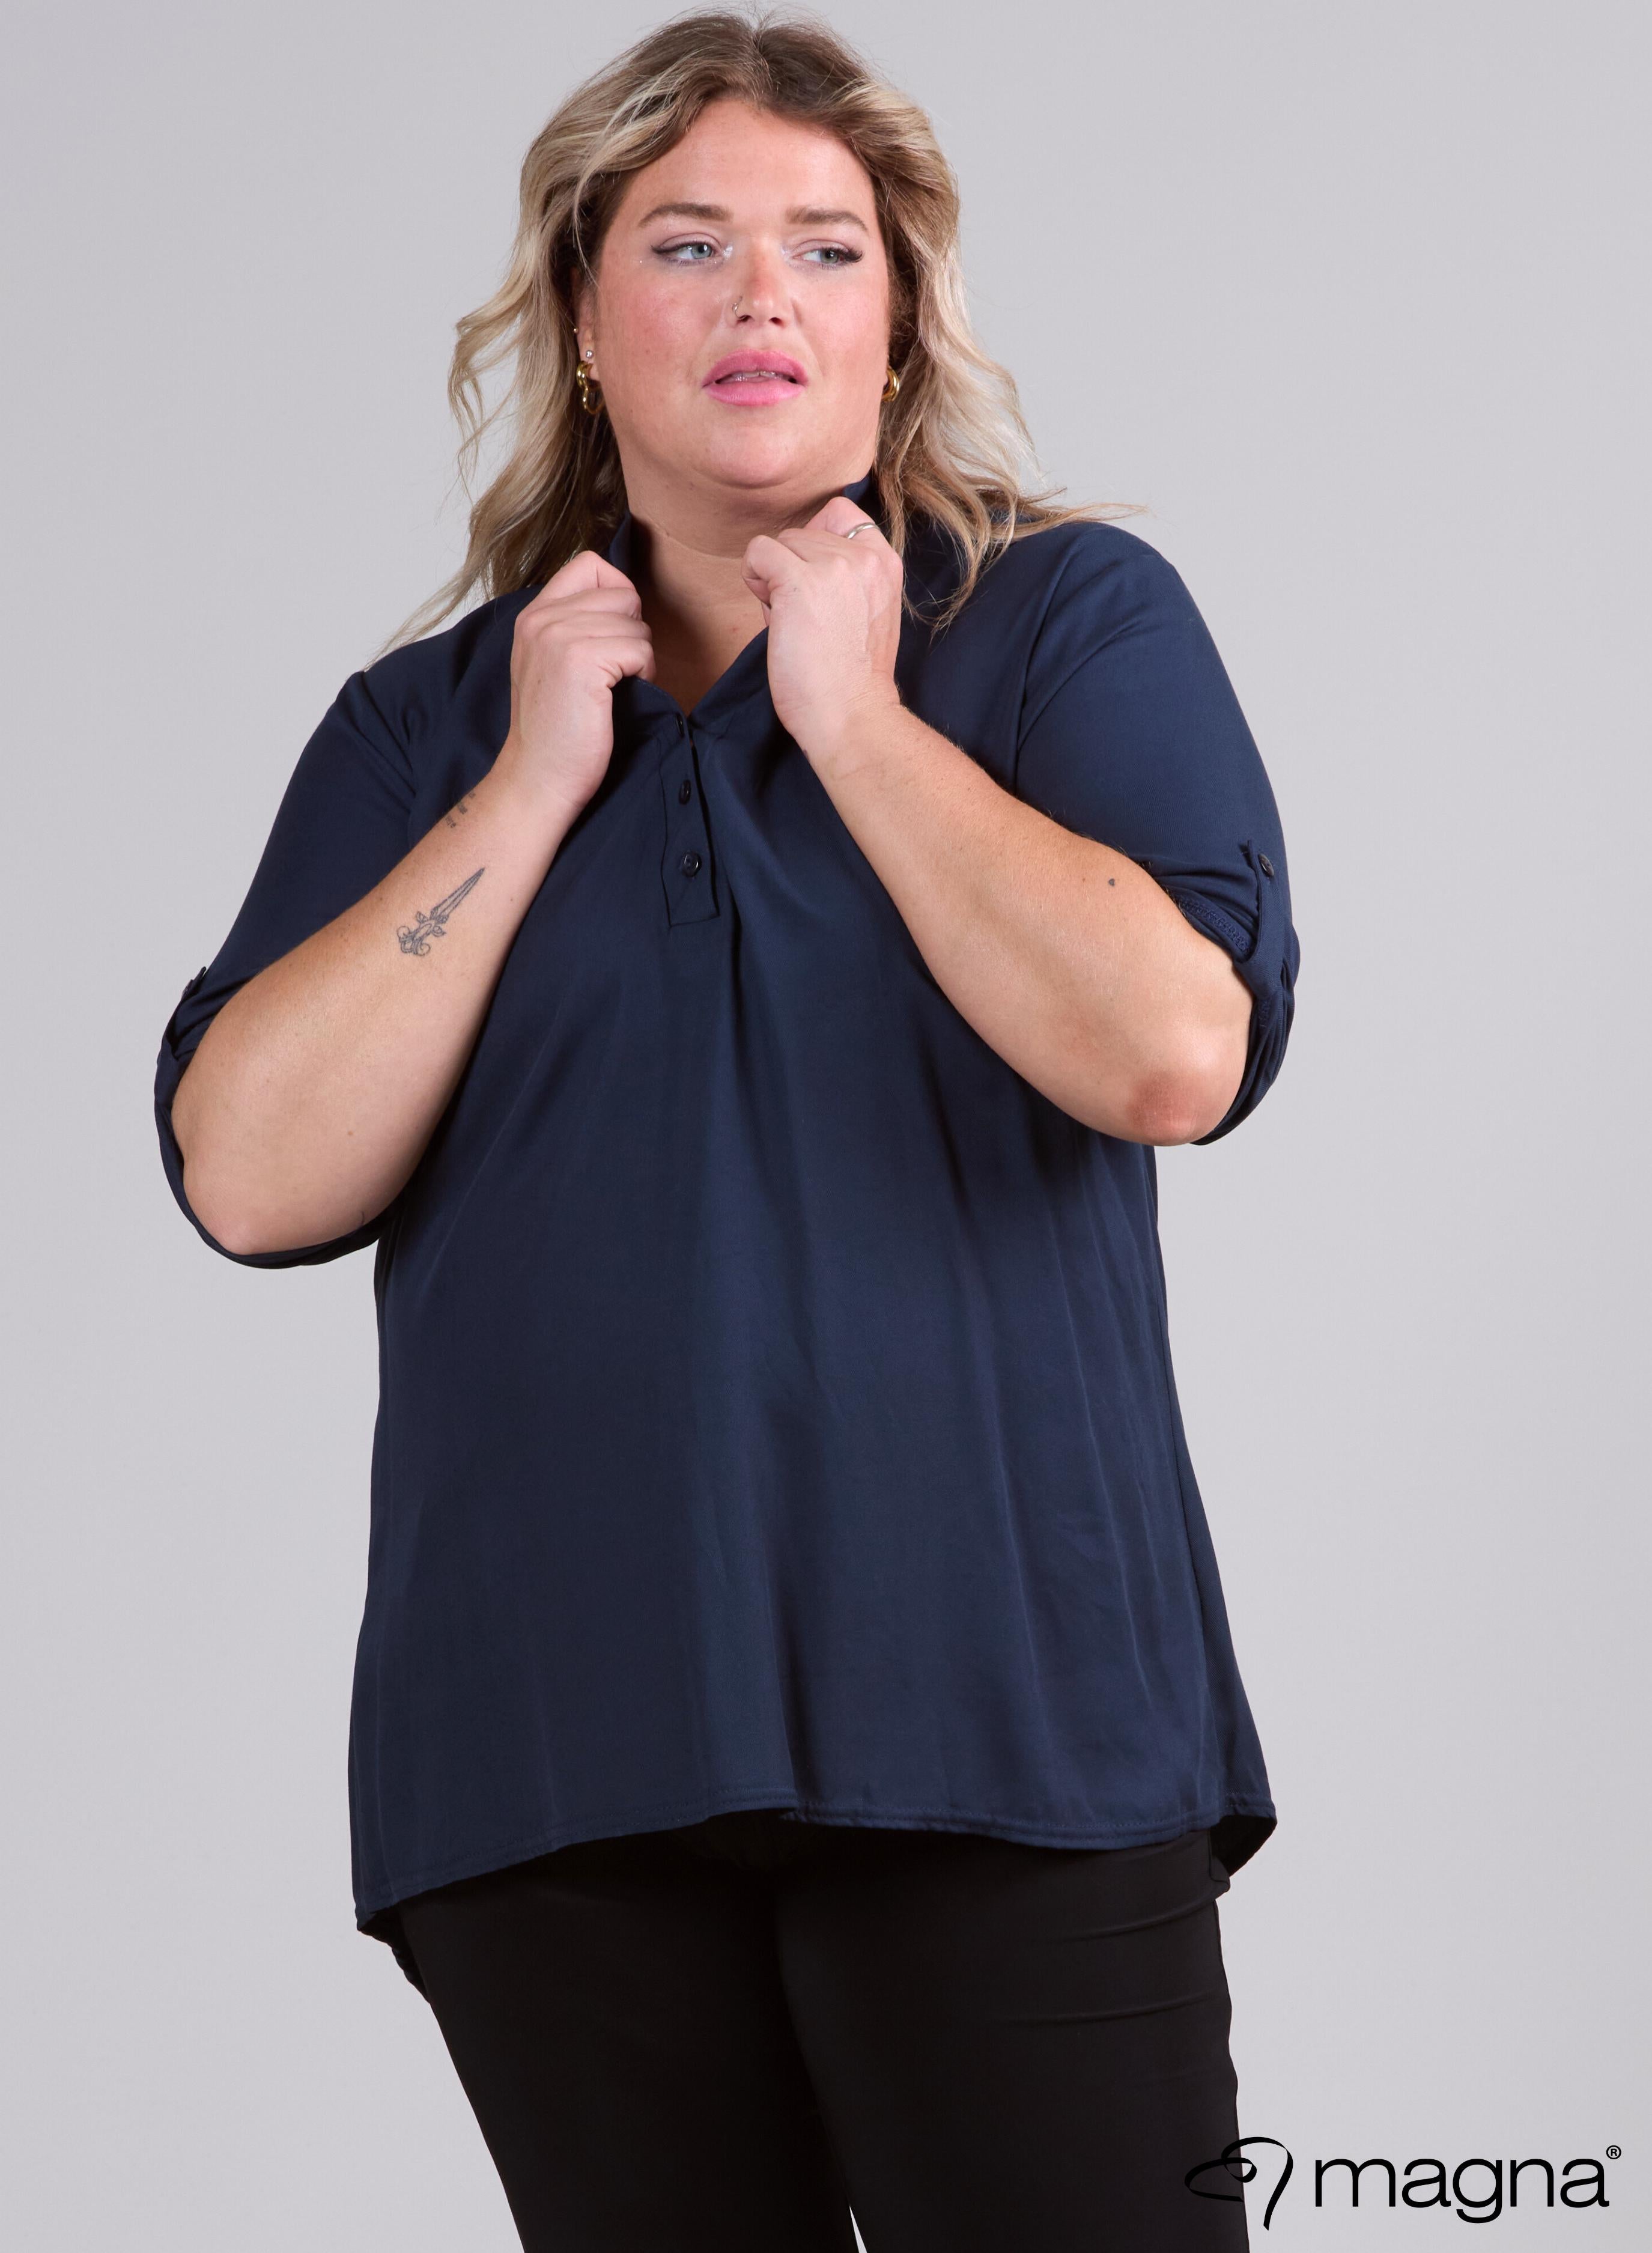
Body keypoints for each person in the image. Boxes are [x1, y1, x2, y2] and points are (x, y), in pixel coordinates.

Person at [154, 11, 1299, 2248]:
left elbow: (1176, 1051)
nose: (762, 294)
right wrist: (531, 781)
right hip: (555, 1766)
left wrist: (851, 717)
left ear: (898, 326)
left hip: (1009, 1728)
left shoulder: (1063, 624)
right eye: (687, 244)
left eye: (825, 249)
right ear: (587, 323)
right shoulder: (424, 730)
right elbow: (251, 1173)